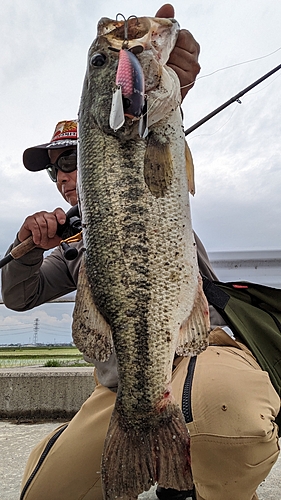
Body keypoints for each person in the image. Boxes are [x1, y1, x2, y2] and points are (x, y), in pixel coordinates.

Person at [2, 5, 280, 500]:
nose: (64, 173)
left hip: (202, 351)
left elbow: (153, 145)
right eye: (53, 169)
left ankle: (196, 481)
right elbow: (18, 297)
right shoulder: (72, 248)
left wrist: (174, 87)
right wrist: (24, 252)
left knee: (226, 418)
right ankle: (123, 443)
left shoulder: (147, 144)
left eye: (70, 158)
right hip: (122, 384)